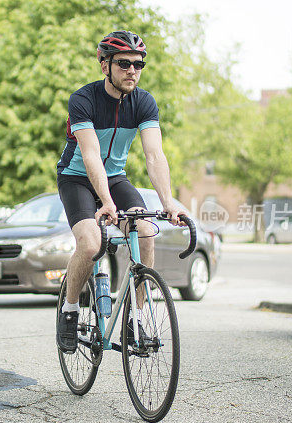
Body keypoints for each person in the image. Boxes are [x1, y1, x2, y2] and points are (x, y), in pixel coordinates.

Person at [55, 30, 187, 353]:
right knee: (90, 243)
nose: (132, 71)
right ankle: (70, 309)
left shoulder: (144, 103)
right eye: (124, 64)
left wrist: (169, 203)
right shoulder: (83, 100)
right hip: (77, 178)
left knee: (145, 229)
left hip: (115, 177)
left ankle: (137, 318)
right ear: (105, 66)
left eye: (139, 65)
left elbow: (154, 156)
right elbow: (90, 156)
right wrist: (108, 204)